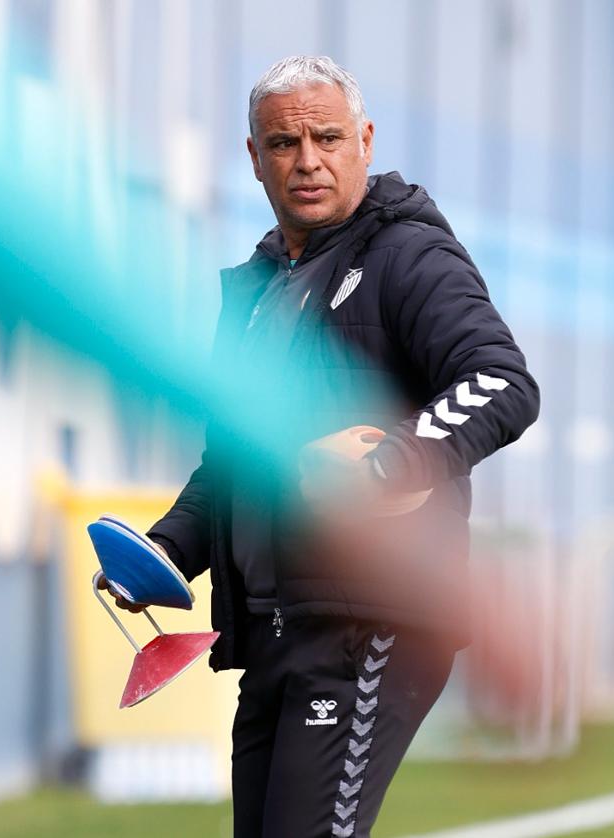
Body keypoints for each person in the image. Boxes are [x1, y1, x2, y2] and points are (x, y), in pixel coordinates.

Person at [114, 55, 540, 837]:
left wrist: (387, 464)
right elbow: (233, 467)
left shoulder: (408, 255)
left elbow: (502, 381)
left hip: (372, 623)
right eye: (283, 143)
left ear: (365, 141)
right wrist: (164, 554)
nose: (307, 160)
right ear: (253, 158)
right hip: (278, 632)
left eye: (327, 137)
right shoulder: (253, 294)